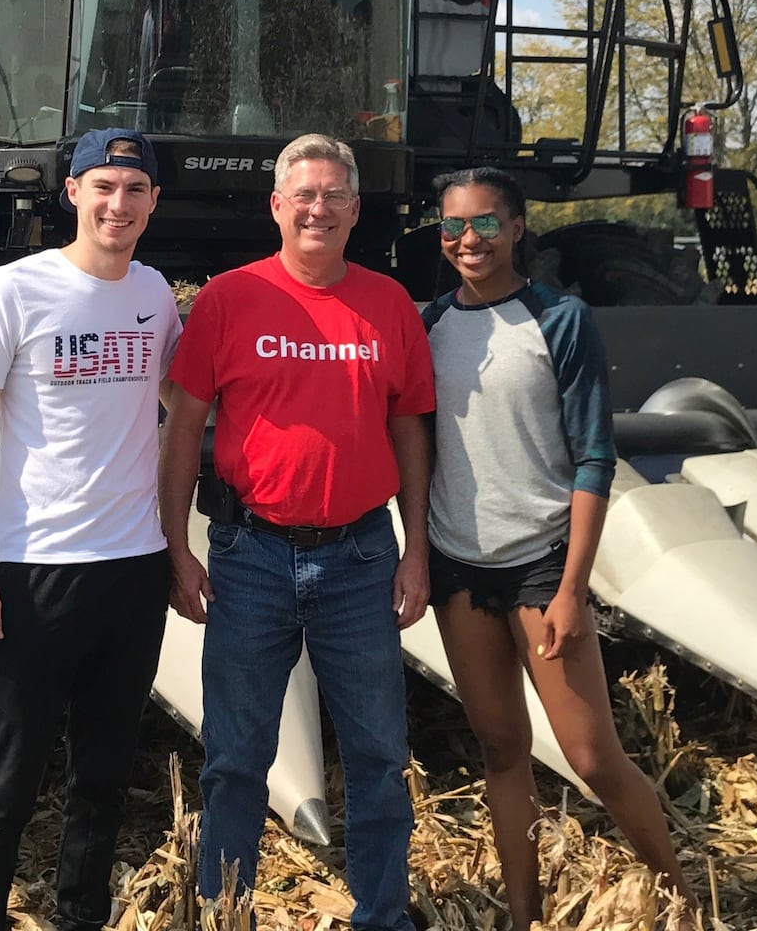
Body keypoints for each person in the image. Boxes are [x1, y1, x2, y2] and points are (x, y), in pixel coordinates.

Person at [158, 133, 434, 931]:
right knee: (236, 760)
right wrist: (177, 547)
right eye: (303, 195)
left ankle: (382, 916)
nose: (318, 209)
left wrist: (415, 549)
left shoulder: (388, 306)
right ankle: (224, 913)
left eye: (334, 196)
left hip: (360, 555)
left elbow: (412, 430)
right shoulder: (229, 300)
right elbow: (184, 431)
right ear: (277, 206)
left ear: (355, 209)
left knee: (380, 760)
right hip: (250, 557)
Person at [421, 167, 693, 928]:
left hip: (542, 563)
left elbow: (594, 458)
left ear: (516, 229)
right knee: (502, 749)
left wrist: (574, 587)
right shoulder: (430, 324)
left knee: (591, 757)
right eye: (451, 227)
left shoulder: (561, 319)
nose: (466, 239)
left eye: (483, 224)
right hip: (459, 565)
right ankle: (522, 915)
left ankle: (681, 898)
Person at [0, 128, 181, 931]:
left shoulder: (155, 297)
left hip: (134, 570)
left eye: (136, 189)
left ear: (153, 202)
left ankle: (82, 915)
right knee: (6, 783)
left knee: (104, 776)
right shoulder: (13, 291)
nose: (120, 203)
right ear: (72, 192)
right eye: (104, 186)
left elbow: (184, 405)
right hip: (36, 572)